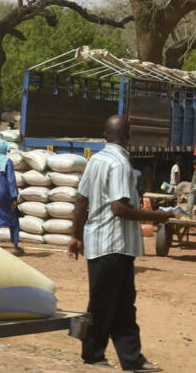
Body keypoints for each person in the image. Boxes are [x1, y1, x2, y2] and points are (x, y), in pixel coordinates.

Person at [69, 115, 170, 373]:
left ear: (105, 135)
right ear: (129, 134)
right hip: (114, 243)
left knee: (124, 304)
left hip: (104, 243)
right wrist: (158, 216)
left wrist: (76, 235)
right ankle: (92, 356)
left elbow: (81, 200)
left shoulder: (97, 160)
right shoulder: (120, 164)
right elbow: (120, 209)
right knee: (104, 304)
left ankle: (132, 359)